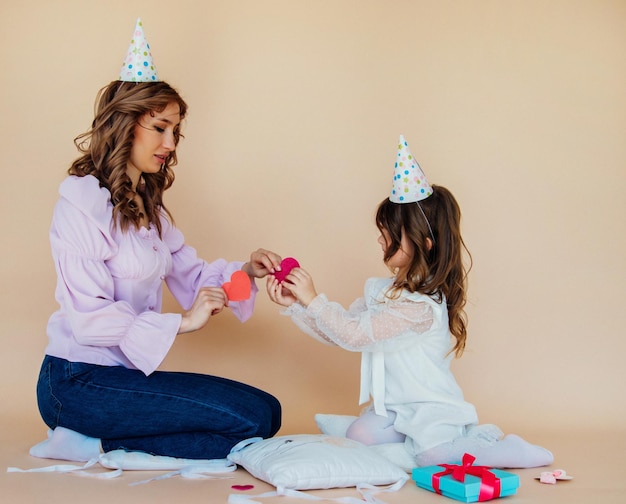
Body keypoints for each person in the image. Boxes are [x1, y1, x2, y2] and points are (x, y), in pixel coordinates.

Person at [30, 19, 282, 463]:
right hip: (74, 382)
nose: (170, 142)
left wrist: (246, 273)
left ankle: (93, 444)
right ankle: (84, 438)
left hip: (124, 379)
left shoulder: (151, 212)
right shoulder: (81, 203)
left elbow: (196, 279)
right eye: (160, 127)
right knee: (247, 421)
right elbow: (88, 318)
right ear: (125, 125)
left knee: (266, 412)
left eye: (175, 130)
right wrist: (182, 323)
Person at [266, 135, 553, 469]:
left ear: (424, 243)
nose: (380, 238)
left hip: (431, 409)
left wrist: (313, 299)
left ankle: (505, 450)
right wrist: (298, 305)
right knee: (361, 435)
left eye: (389, 232)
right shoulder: (381, 291)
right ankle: (381, 442)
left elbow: (355, 335)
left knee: (432, 456)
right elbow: (343, 331)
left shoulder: (419, 308)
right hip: (396, 408)